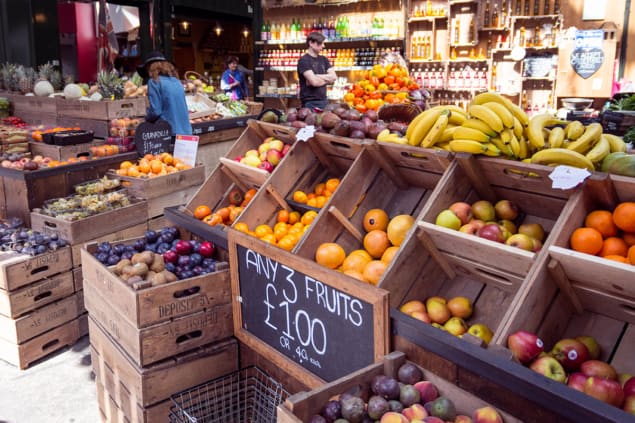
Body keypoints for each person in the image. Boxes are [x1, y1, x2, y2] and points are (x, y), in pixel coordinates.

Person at [137, 51, 192, 136]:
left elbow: (156, 111)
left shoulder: (154, 82)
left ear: (150, 67)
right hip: (187, 132)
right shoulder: (177, 81)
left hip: (169, 132)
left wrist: (144, 118)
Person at [297, 31, 337, 110]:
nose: (323, 46)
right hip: (310, 103)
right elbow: (314, 82)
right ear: (311, 43)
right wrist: (327, 79)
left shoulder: (324, 59)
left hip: (324, 100)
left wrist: (317, 76)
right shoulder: (304, 61)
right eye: (321, 43)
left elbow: (334, 77)